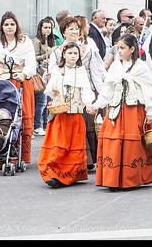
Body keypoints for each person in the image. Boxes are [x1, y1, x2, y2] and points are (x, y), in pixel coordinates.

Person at [88, 34, 152, 191]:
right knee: (113, 142)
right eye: (118, 48)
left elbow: (148, 90)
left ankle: (130, 178)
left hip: (134, 109)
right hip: (116, 109)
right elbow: (107, 90)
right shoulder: (115, 66)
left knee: (133, 145)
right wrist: (97, 105)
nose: (119, 51)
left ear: (132, 49)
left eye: (122, 48)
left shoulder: (141, 67)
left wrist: (150, 110)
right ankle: (112, 178)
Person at [48, 16, 105, 171]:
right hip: (64, 92)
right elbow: (53, 73)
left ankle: (88, 159)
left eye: (76, 28)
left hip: (85, 89)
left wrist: (100, 93)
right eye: (70, 28)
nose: (74, 31)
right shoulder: (57, 52)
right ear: (63, 32)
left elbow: (96, 69)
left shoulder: (89, 46)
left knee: (87, 125)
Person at [38, 42, 94, 188]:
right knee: (59, 144)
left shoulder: (81, 71)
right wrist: (55, 93)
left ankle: (70, 175)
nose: (73, 56)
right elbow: (49, 90)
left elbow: (86, 90)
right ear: (64, 54)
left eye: (75, 53)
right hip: (60, 115)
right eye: (70, 53)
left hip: (75, 114)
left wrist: (88, 103)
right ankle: (54, 174)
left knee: (73, 145)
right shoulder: (58, 70)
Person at [0, 11, 37, 164]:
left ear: (16, 26)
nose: (9, 27)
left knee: (21, 117)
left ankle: (19, 155)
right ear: (2, 27)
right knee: (4, 116)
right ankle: (1, 153)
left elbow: (31, 63)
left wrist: (25, 73)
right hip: (3, 86)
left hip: (21, 83)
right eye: (6, 24)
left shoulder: (25, 41)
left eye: (12, 24)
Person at [32, 17, 54, 137]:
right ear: (40, 28)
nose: (47, 30)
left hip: (49, 73)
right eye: (45, 27)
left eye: (49, 27)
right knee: (41, 101)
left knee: (48, 102)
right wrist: (49, 53)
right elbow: (35, 57)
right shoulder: (37, 41)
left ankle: (46, 125)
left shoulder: (50, 40)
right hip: (40, 74)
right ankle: (37, 126)